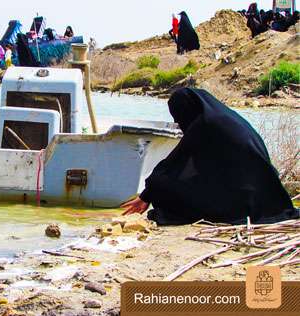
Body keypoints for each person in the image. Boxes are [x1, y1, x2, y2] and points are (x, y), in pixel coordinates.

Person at [121, 88, 299, 225]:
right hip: (262, 192)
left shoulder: (205, 124)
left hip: (243, 196)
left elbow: (173, 163)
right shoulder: (223, 117)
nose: (179, 122)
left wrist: (148, 195)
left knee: (168, 187)